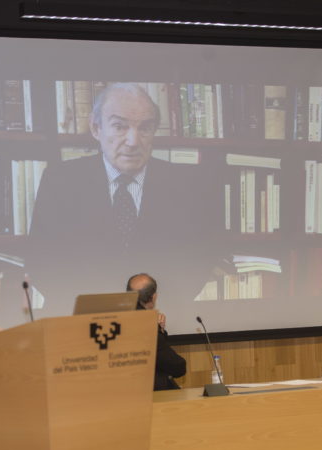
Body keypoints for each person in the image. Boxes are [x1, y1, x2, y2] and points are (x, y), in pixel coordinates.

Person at [27, 82, 218, 315]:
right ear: (96, 128)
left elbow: (201, 259)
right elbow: (41, 260)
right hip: (78, 320)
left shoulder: (185, 184)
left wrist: (150, 309)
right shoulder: (61, 180)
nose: (133, 141)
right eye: (119, 126)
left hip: (161, 319)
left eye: (145, 128)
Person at [126, 273, 186, 390]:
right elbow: (178, 367)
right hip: (148, 394)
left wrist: (161, 330)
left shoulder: (119, 318)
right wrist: (157, 330)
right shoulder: (145, 325)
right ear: (153, 297)